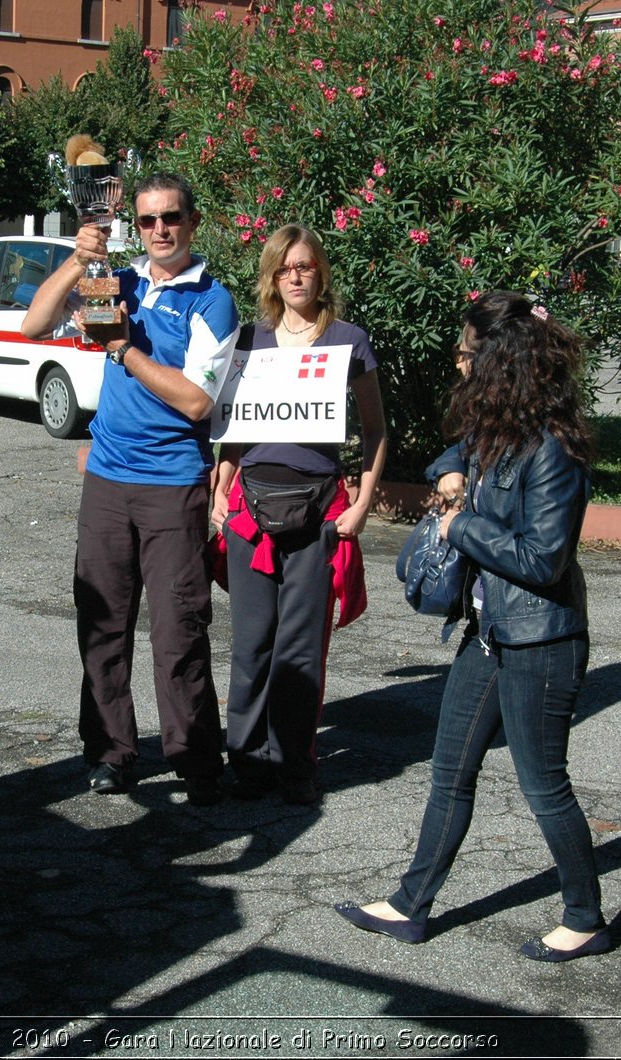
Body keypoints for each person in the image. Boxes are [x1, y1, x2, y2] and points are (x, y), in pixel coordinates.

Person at [334, 290, 606, 962]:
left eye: (465, 352)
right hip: (490, 634)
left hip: (542, 641)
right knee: (449, 770)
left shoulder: (555, 450)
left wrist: (463, 524)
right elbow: (447, 456)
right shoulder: (497, 429)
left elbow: (543, 560)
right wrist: (452, 471)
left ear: (500, 362)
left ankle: (586, 917)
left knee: (544, 786)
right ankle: (409, 906)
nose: (457, 362)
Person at [21, 172, 240, 805]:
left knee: (179, 630)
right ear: (134, 227)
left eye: (171, 218)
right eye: (147, 221)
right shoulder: (119, 281)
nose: (160, 230)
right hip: (108, 481)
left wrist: (122, 350)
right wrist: (78, 258)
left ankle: (195, 757)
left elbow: (198, 402)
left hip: (173, 484)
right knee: (102, 625)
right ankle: (113, 752)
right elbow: (37, 324)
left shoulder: (211, 299)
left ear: (192, 222)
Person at [210, 225, 387, 805]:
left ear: (321, 272)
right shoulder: (249, 340)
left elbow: (375, 429)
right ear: (271, 275)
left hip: (318, 512)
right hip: (250, 510)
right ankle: (246, 762)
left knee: (301, 648)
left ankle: (294, 764)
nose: (296, 276)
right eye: (285, 268)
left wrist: (362, 503)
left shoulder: (348, 340)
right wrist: (222, 487)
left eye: (305, 266)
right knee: (252, 643)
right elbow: (233, 428)